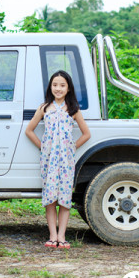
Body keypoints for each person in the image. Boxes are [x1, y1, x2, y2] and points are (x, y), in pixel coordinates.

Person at [25, 70, 91, 249]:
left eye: (62, 85)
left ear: (68, 88)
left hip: (66, 161)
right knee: (50, 198)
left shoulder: (73, 110)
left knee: (64, 198)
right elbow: (29, 130)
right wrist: (43, 146)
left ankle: (62, 236)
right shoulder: (45, 108)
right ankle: (52, 236)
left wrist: (72, 147)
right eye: (55, 85)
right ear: (50, 87)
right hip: (49, 161)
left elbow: (86, 134)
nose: (58, 88)